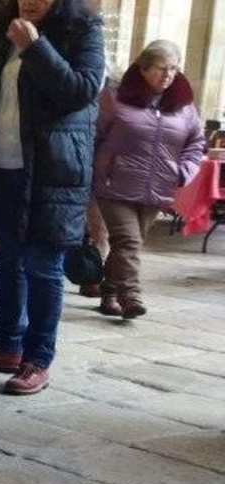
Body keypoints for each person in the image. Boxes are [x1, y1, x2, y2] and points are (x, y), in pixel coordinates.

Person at [0, 0, 105, 396]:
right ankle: (7, 344)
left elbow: (82, 91)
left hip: (51, 170)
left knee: (42, 264)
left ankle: (38, 358)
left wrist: (36, 47)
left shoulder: (82, 29)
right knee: (5, 259)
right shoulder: (3, 29)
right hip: (1, 163)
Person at [92, 40, 206, 319]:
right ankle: (130, 296)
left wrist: (183, 171)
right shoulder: (113, 97)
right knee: (128, 240)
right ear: (143, 67)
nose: (168, 75)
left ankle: (108, 290)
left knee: (126, 244)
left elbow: (195, 143)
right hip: (114, 184)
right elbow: (93, 136)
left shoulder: (185, 106)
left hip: (158, 188)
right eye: (161, 68)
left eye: (174, 69)